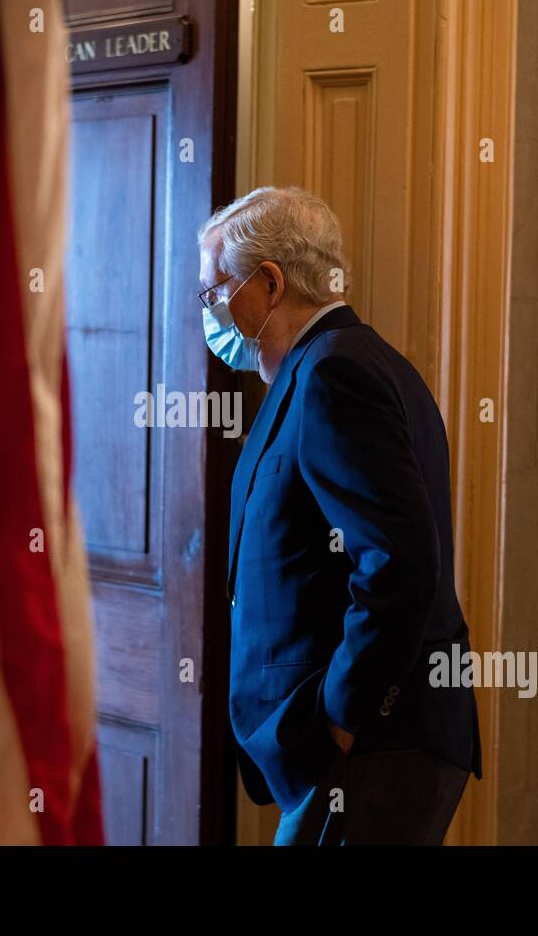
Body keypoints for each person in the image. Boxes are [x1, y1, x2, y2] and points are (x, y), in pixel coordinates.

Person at [198, 186, 482, 845]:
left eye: (216, 293)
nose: (210, 312)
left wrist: (339, 720)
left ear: (268, 283)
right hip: (359, 751)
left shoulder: (334, 374)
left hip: (371, 746)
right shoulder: (348, 362)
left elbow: (401, 562)